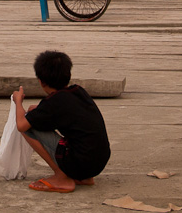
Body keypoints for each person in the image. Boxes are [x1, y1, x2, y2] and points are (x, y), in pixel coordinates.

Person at [12, 50, 110, 193]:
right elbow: (63, 110)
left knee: (28, 127)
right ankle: (84, 178)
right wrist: (37, 110)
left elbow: (21, 125)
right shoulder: (78, 91)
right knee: (34, 116)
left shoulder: (53, 103)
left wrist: (18, 102)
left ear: (41, 81)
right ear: (68, 75)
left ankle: (61, 177)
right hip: (98, 162)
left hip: (80, 162)